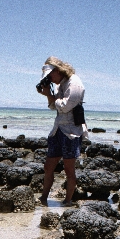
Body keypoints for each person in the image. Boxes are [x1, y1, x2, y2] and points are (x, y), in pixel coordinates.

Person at [36, 56, 86, 206]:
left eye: (50, 75)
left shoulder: (74, 83)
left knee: (69, 170)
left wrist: (50, 96)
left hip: (71, 132)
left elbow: (64, 106)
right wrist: (48, 95)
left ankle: (67, 201)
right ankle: (43, 198)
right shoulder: (60, 83)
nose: (50, 79)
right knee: (48, 166)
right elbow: (53, 106)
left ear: (57, 70)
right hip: (58, 130)